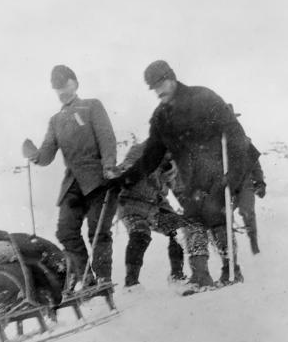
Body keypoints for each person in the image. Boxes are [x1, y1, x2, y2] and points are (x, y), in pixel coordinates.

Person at [107, 61, 260, 292]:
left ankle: (231, 270)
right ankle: (200, 276)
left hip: (218, 170)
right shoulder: (161, 116)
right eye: (154, 88)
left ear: (173, 77)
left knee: (214, 216)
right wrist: (125, 179)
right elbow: (151, 156)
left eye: (161, 84)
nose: (159, 91)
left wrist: (235, 174)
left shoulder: (203, 97)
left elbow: (235, 134)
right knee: (192, 219)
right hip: (191, 177)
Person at [22, 65, 118, 290]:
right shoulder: (55, 120)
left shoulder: (92, 106)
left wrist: (109, 165)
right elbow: (46, 155)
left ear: (75, 83)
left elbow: (106, 137)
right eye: (58, 89)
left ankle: (103, 279)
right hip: (73, 184)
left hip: (99, 178)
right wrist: (33, 154)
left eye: (65, 86)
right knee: (65, 231)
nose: (62, 92)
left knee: (98, 231)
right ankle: (87, 277)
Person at [116, 141, 187, 289]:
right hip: (131, 202)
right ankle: (131, 282)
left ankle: (177, 275)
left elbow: (180, 190)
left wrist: (191, 206)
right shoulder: (141, 149)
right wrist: (125, 173)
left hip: (156, 205)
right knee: (140, 234)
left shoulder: (175, 159)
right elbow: (126, 168)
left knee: (178, 230)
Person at [235, 152, 266, 255]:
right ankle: (227, 249)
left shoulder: (244, 143)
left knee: (247, 210)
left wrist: (260, 182)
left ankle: (253, 240)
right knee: (221, 214)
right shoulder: (216, 142)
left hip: (245, 184)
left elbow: (255, 165)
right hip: (224, 185)